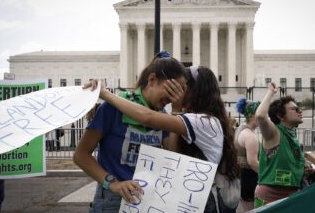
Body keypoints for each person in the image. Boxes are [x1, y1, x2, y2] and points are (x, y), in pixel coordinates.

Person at [96, 66, 241, 213]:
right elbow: (173, 154)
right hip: (191, 199)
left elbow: (148, 117)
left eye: (180, 87)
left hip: (202, 201)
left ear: (192, 91)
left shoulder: (203, 121)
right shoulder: (202, 119)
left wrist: (106, 94)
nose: (174, 91)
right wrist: (176, 107)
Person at [73, 51, 188, 213]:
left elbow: (172, 156)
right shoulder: (112, 109)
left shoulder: (163, 117)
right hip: (113, 199)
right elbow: (81, 155)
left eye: (179, 92)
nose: (173, 97)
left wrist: (176, 110)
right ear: (152, 80)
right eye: (171, 89)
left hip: (147, 198)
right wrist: (112, 184)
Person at [254, 83, 305, 208]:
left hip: (291, 194)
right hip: (271, 196)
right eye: (295, 109)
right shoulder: (275, 133)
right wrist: (271, 92)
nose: (300, 111)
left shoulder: (291, 135)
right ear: (280, 116)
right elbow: (260, 116)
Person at [234, 98, 260, 212]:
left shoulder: (240, 129)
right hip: (249, 178)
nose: (264, 117)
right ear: (252, 116)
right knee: (250, 209)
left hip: (242, 176)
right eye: (260, 113)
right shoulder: (249, 135)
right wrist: (268, 176)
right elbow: (253, 163)